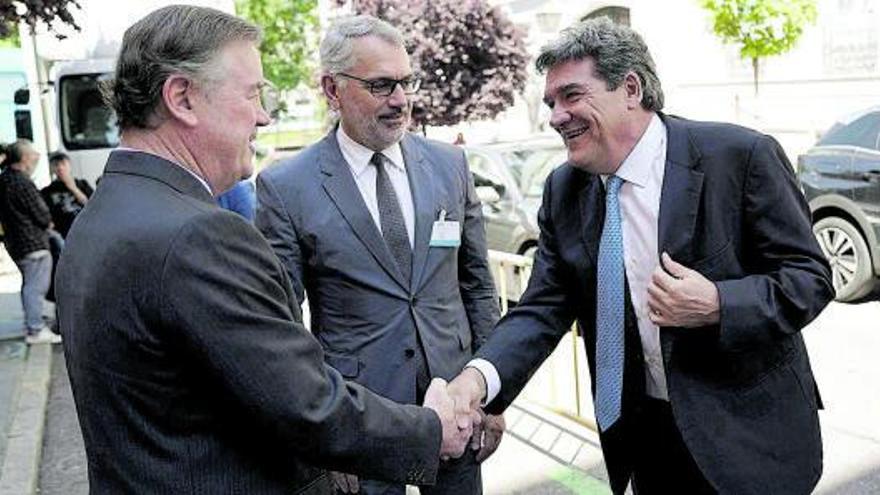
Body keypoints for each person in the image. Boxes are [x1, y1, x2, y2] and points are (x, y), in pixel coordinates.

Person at [55, 6, 472, 494]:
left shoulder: (101, 216)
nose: (264, 115)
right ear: (182, 98)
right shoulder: (199, 236)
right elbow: (305, 405)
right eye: (253, 93)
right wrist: (432, 429)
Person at [446, 18, 834, 495]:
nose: (555, 115)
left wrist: (717, 303)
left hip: (749, 436)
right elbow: (541, 309)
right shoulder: (564, 190)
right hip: (648, 442)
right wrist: (476, 380)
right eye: (550, 102)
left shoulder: (738, 156)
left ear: (630, 88)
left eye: (571, 95)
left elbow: (810, 278)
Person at [256, 15, 502, 495]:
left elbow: (477, 285)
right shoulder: (287, 188)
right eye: (382, 85)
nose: (400, 100)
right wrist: (324, 436)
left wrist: (494, 396)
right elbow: (282, 326)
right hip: (359, 418)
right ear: (332, 89)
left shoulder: (450, 165)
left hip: (457, 403)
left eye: (407, 83)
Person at [0, 139, 60, 345]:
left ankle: (32, 322)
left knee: (29, 285)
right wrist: (49, 223)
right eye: (34, 153)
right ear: (24, 158)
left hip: (15, 243)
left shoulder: (4, 180)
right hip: (33, 243)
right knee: (35, 287)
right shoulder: (22, 182)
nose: (37, 157)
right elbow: (42, 215)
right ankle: (35, 329)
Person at [40, 151, 93, 238]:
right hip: (63, 234)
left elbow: (93, 206)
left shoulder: (82, 184)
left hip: (85, 230)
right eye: (56, 165)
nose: (60, 168)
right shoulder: (47, 191)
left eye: (63, 164)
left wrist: (74, 189)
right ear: (52, 168)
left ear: (70, 166)